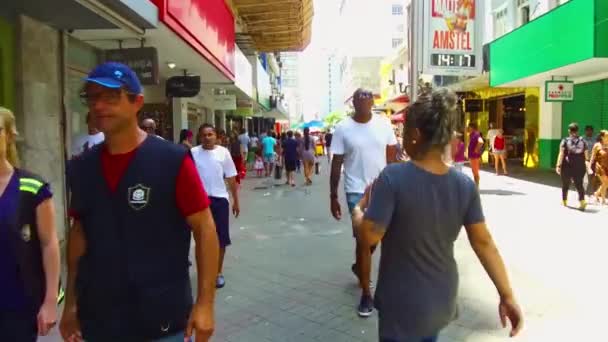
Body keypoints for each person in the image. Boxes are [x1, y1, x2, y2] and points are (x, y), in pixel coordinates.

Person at [60, 62, 220, 342]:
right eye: (92, 97)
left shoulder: (171, 160)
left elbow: (205, 228)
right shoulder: (83, 167)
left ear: (137, 103)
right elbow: (79, 235)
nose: (99, 105)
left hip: (161, 318)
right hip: (98, 317)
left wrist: (205, 304)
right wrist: (71, 304)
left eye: (111, 96)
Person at [353, 89, 524, 342]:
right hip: (442, 297)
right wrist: (507, 295)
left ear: (415, 135)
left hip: (401, 301)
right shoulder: (463, 185)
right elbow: (484, 243)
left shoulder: (392, 178)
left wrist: (358, 209)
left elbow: (368, 236)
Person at [330, 88, 398, 317]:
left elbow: (392, 157)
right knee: (364, 238)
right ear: (353, 102)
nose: (362, 100)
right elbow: (336, 163)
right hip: (355, 190)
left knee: (372, 240)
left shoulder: (384, 124)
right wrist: (333, 196)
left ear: (373, 101)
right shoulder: (342, 128)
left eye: (367, 97)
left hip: (382, 189)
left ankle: (360, 267)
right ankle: (366, 295)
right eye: (358, 97)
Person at [0, 107, 61, 341]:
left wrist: (50, 302)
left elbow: (49, 245)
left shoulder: (32, 187)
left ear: (9, 135)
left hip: (18, 306)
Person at [192, 124, 240, 289]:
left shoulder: (223, 152)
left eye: (210, 134)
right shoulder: (193, 153)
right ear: (199, 137)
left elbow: (231, 177)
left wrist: (236, 200)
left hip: (220, 200)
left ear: (216, 136)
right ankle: (204, 273)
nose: (207, 137)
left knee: (221, 239)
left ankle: (218, 272)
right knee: (201, 238)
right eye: (204, 135)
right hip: (199, 202)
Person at [556, 123, 588, 211]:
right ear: (577, 130)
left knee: (565, 183)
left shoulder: (565, 140)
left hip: (567, 165)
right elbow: (586, 154)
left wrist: (558, 165)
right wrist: (587, 164)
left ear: (569, 131)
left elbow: (561, 153)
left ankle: (564, 200)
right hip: (580, 165)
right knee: (579, 184)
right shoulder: (583, 140)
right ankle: (582, 202)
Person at [467, 122, 484, 187]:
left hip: (474, 156)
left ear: (472, 128)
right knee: (474, 171)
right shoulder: (471, 135)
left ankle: (476, 186)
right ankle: (476, 185)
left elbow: (481, 141)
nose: (467, 128)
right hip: (472, 156)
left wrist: (476, 149)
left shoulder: (476, 134)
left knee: (475, 172)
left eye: (469, 127)